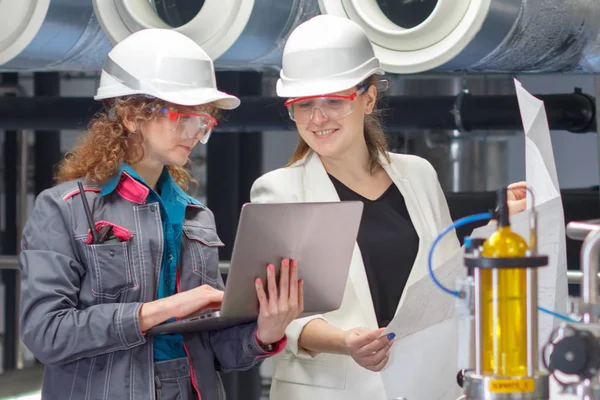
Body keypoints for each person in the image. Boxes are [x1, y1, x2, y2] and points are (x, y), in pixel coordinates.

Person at [250, 15, 527, 400]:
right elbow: (278, 316)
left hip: (427, 386)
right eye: (303, 104)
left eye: (334, 100)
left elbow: (446, 279)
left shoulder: (419, 175)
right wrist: (345, 341)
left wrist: (498, 230)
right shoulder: (280, 190)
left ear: (368, 98)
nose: (318, 118)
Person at [19, 28, 303, 400]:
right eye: (180, 115)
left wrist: (265, 331)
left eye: (202, 120)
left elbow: (212, 350)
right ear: (131, 115)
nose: (193, 132)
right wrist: (162, 309)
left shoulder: (195, 217)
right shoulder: (63, 209)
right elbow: (46, 333)